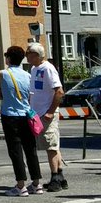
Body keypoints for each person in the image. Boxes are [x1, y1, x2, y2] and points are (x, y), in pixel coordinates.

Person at [0, 46, 44, 197]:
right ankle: (36, 183)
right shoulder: (27, 75)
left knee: (15, 150)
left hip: (10, 115)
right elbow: (30, 96)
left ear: (8, 58)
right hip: (26, 115)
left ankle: (20, 185)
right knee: (30, 149)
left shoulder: (1, 74)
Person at [25, 42, 68, 191]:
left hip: (46, 113)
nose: (26, 56)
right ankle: (60, 176)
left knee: (51, 145)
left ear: (37, 55)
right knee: (51, 144)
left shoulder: (48, 68)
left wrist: (50, 111)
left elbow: (59, 91)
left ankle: (55, 176)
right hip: (38, 113)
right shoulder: (34, 68)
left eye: (29, 53)